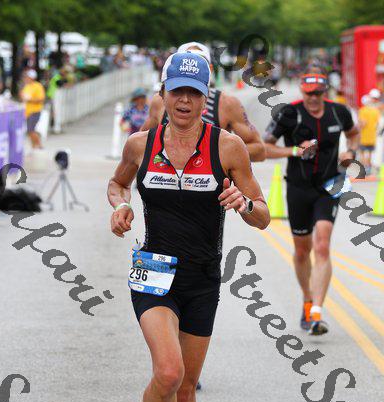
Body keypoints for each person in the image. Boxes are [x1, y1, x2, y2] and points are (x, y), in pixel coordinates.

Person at [107, 52, 269, 402]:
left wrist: (244, 204)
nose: (184, 100)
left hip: (201, 278)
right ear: (163, 93)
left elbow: (262, 214)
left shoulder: (228, 148)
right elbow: (117, 184)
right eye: (176, 90)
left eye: (193, 93)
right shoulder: (141, 144)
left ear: (206, 98)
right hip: (154, 271)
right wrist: (118, 207)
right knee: (168, 371)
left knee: (184, 394)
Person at [263, 69, 359, 335]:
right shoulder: (288, 114)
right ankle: (307, 298)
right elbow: (264, 147)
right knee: (302, 250)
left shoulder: (339, 112)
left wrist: (351, 152)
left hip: (331, 184)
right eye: (308, 94)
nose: (313, 98)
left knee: (323, 245)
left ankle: (317, 311)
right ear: (301, 92)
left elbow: (354, 134)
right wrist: (295, 150)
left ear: (325, 91)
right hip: (298, 187)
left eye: (318, 93)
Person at [141, 41, 266, 162]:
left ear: (210, 69)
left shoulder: (227, 103)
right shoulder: (158, 101)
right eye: (185, 62)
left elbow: (259, 150)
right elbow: (140, 145)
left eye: (199, 63)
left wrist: (216, 153)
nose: (192, 69)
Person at [20, 69, 46, 149]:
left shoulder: (38, 86)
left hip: (35, 111)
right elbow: (22, 97)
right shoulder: (26, 86)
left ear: (32, 78)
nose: (26, 78)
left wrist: (30, 99)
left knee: (31, 130)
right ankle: (34, 146)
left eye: (27, 77)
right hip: (27, 112)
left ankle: (39, 145)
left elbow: (41, 99)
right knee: (30, 130)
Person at [358, 94, 381, 175]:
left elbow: (363, 123)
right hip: (372, 136)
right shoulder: (375, 111)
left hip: (363, 136)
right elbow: (377, 124)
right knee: (370, 153)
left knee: (363, 152)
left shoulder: (362, 111)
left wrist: (359, 127)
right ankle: (369, 168)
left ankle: (365, 168)